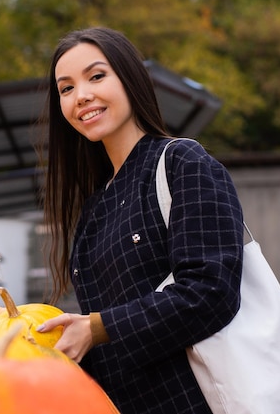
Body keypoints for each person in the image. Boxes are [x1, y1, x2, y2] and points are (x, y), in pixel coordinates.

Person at [35, 27, 245, 413]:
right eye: (65, 89)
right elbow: (110, 343)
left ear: (129, 79)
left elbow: (211, 292)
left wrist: (98, 327)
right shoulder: (93, 209)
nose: (81, 96)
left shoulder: (183, 163)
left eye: (96, 76)